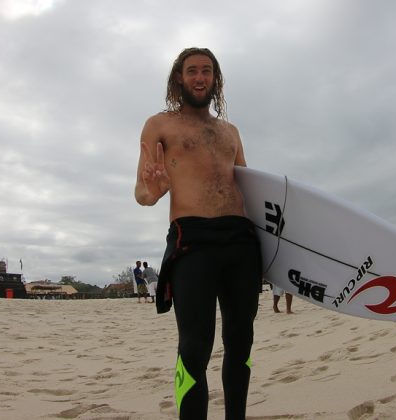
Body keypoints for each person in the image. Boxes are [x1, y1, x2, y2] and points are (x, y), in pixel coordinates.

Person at [134, 47, 262, 420]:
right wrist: (153, 191)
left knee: (241, 344)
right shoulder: (160, 125)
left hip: (240, 241)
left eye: (207, 71)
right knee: (194, 347)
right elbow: (141, 192)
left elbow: (249, 189)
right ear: (179, 78)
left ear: (215, 79)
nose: (200, 78)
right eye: (192, 71)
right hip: (192, 242)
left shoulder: (230, 132)